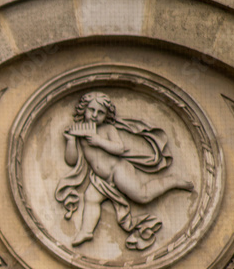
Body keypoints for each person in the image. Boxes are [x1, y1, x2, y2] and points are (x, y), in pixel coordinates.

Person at [55, 91, 194, 250]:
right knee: (91, 198)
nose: (94, 115)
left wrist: (99, 141)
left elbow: (119, 148)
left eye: (100, 113)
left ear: (106, 116)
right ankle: (86, 231)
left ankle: (172, 181)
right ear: (83, 110)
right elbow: (71, 160)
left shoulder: (107, 129)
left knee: (143, 195)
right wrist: (71, 141)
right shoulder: (80, 134)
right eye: (91, 110)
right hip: (100, 179)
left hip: (118, 171)